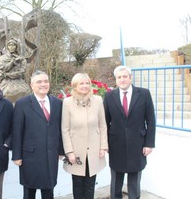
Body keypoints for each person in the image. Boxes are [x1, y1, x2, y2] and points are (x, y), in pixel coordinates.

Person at [103, 65, 156, 199]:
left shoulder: (144, 94)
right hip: (116, 144)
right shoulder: (109, 96)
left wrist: (149, 144)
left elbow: (150, 121)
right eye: (119, 77)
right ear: (116, 80)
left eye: (125, 76)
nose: (122, 80)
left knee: (134, 181)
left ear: (130, 78)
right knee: (116, 181)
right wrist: (105, 144)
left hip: (138, 144)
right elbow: (105, 122)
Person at [12, 70, 64, 199]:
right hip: (30, 157)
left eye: (46, 81)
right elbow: (17, 131)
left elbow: (60, 128)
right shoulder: (22, 103)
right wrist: (16, 156)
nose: (43, 84)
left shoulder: (57, 103)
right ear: (32, 85)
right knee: (30, 191)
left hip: (50, 155)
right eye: (39, 81)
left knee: (49, 190)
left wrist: (61, 150)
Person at [61, 73, 108, 199]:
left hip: (94, 149)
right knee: (77, 183)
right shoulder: (67, 102)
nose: (85, 86)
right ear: (75, 86)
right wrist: (69, 151)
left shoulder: (98, 100)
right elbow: (65, 129)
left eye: (87, 83)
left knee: (90, 183)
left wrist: (103, 147)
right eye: (81, 83)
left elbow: (102, 125)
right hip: (76, 151)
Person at [0, 37, 31, 102]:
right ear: (7, 47)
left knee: (25, 92)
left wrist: (7, 74)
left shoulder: (21, 59)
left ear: (16, 46)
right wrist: (12, 62)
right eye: (9, 45)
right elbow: (4, 69)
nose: (11, 47)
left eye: (13, 45)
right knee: (2, 93)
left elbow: (21, 72)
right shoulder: (2, 58)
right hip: (6, 81)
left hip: (18, 81)